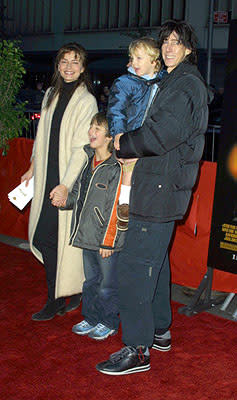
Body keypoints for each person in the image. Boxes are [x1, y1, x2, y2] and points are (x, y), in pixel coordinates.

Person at [96, 20, 212, 375]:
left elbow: (161, 134)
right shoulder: (172, 81)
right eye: (165, 42)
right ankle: (160, 330)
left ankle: (137, 349)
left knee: (134, 269)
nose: (169, 48)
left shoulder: (186, 84)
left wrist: (120, 143)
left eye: (177, 42)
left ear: (190, 49)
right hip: (158, 185)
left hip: (159, 188)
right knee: (155, 265)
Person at [21, 42, 98, 321]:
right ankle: (71, 290)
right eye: (64, 61)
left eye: (75, 62)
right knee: (45, 237)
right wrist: (32, 165)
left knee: (52, 237)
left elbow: (82, 148)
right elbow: (42, 134)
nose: (68, 67)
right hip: (46, 176)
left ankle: (55, 299)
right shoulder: (51, 94)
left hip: (66, 179)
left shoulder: (86, 100)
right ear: (57, 66)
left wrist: (65, 184)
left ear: (83, 67)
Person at [53, 112, 124, 340]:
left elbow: (117, 207)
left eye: (98, 128)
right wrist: (65, 202)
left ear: (109, 137)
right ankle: (91, 317)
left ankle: (109, 321)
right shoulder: (87, 162)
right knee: (91, 282)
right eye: (91, 127)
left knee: (107, 285)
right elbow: (77, 196)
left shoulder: (116, 167)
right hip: (87, 235)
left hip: (105, 241)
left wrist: (109, 240)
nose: (92, 132)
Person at [107, 37, 166, 231]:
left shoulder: (162, 80)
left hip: (149, 136)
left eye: (139, 58)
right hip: (130, 134)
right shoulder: (126, 82)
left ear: (153, 61)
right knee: (129, 164)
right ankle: (123, 204)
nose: (134, 63)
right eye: (132, 58)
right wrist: (118, 133)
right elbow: (116, 109)